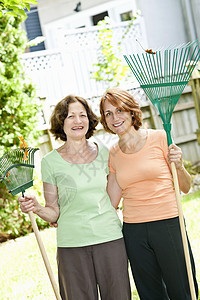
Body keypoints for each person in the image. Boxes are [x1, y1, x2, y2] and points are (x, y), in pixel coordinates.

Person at [18, 95, 131, 300]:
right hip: (72, 244)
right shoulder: (50, 162)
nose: (78, 121)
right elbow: (53, 210)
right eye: (71, 116)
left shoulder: (105, 153)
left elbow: (116, 194)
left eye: (82, 115)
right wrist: (37, 207)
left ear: (89, 120)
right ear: (62, 122)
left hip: (109, 238)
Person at [99, 87, 199, 300]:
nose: (114, 117)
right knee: (150, 293)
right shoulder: (114, 154)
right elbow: (111, 202)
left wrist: (179, 166)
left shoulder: (160, 138)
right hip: (134, 231)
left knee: (182, 288)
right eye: (108, 113)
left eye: (119, 110)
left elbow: (185, 187)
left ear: (131, 111)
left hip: (168, 223)